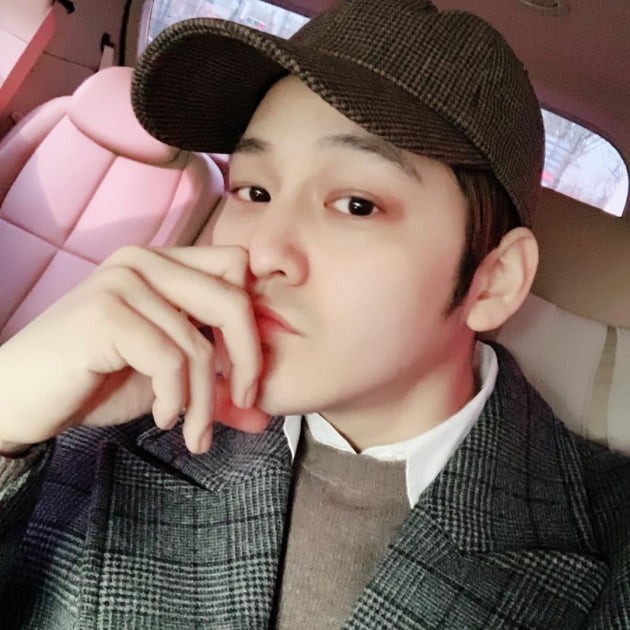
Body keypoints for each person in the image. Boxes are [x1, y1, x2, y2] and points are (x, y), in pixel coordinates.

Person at [0, 0, 628, 627]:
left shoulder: (608, 540)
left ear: (494, 281)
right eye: (254, 191)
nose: (264, 251)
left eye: (356, 204)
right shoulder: (118, 420)